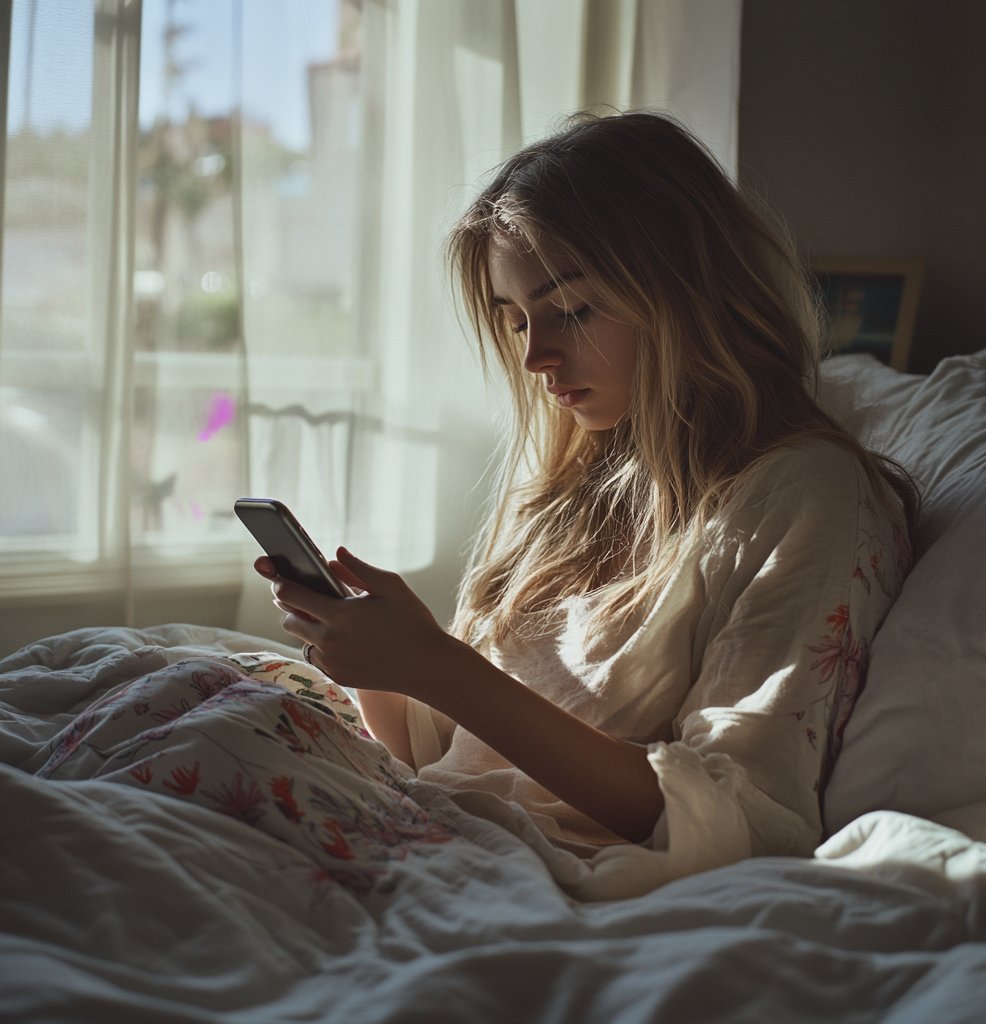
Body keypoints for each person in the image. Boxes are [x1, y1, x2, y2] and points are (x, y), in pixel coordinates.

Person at [257, 110, 916, 896]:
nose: (535, 356)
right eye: (517, 322)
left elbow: (742, 819)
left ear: (684, 288)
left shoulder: (807, 495)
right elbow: (438, 756)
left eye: (569, 309)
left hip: (526, 873)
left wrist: (439, 666)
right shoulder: (580, 488)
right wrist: (374, 658)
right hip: (432, 824)